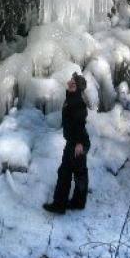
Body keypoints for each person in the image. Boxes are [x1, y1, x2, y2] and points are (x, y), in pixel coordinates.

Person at [43, 72, 90, 214]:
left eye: (74, 83)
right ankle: (75, 203)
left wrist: (80, 143)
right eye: (70, 80)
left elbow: (80, 125)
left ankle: (63, 204)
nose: (70, 83)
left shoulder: (77, 103)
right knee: (71, 172)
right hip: (73, 142)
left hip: (77, 144)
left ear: (79, 88)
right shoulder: (71, 99)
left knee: (72, 173)